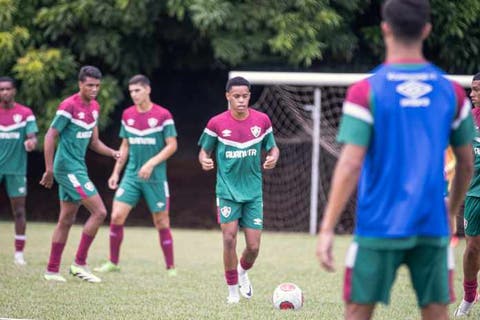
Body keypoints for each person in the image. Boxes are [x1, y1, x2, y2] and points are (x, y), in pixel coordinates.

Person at [315, 1, 474, 319]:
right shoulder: (452, 92)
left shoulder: (366, 91)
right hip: (432, 224)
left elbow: (349, 164)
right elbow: (466, 163)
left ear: (385, 28)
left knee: (358, 310)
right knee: (436, 312)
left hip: (378, 224)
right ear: (427, 30)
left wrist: (327, 228)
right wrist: (450, 211)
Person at [198, 76, 280, 304]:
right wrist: (204, 160)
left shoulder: (262, 121)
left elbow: (273, 148)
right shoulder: (216, 123)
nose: (241, 100)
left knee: (253, 247)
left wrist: (272, 157)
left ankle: (243, 271)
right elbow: (204, 151)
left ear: (249, 96)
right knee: (229, 239)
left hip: (253, 192)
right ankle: (232, 291)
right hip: (227, 191)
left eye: (245, 96)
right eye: (236, 96)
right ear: (228, 96)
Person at [40, 66, 120, 283]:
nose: (94, 89)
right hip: (67, 168)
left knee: (66, 219)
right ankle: (79, 264)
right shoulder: (68, 106)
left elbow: (94, 142)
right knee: (100, 212)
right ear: (80, 85)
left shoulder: (94, 107)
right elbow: (49, 136)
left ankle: (52, 270)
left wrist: (113, 152)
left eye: (97, 85)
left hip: (78, 167)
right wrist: (49, 169)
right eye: (89, 85)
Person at [94, 75, 178, 275]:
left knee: (161, 222)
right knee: (116, 215)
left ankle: (170, 267)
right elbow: (125, 145)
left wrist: (151, 163)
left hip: (155, 177)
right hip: (131, 176)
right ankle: (113, 262)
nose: (134, 95)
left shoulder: (163, 115)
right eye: (131, 91)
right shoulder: (127, 115)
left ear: (147, 90)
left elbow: (172, 145)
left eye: (137, 90)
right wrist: (116, 172)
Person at [0, 76, 38, 266]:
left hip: (16, 169)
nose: (4, 92)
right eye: (1, 89)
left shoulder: (25, 113)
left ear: (14, 91)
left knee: (19, 211)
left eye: (8, 89)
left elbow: (33, 137)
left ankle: (18, 253)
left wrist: (31, 143)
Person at [455, 72, 480, 317]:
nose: (471, 94)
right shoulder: (469, 120)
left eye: (476, 89)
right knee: (472, 248)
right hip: (475, 194)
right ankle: (469, 295)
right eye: (471, 89)